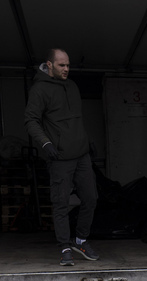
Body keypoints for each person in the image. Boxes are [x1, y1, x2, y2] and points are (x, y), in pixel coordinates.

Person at [24, 48, 99, 266]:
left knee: (91, 198)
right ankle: (65, 247)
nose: (66, 69)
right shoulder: (39, 90)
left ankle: (81, 240)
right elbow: (30, 120)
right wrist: (46, 143)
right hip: (60, 157)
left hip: (81, 155)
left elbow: (75, 120)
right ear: (49, 65)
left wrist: (88, 140)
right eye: (61, 65)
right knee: (61, 203)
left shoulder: (72, 86)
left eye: (68, 65)